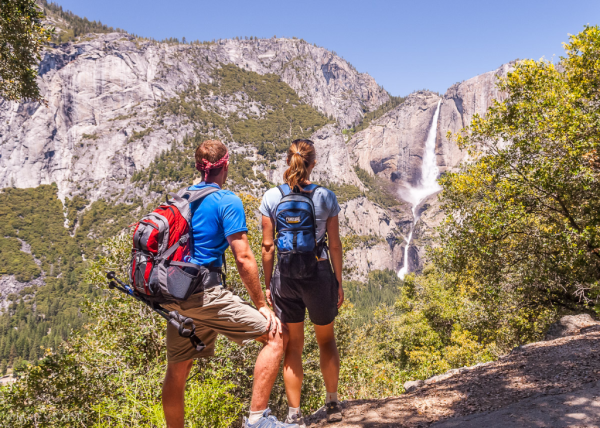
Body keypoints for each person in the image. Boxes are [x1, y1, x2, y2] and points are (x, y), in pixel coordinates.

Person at [161, 140, 298, 428]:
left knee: (177, 369)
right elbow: (244, 258)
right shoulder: (227, 200)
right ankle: (257, 421)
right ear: (225, 164)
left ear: (200, 167)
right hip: (204, 293)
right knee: (275, 337)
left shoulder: (180, 198)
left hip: (175, 292)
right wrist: (262, 305)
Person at [260, 139, 345, 426]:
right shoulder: (326, 197)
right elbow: (334, 245)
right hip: (319, 274)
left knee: (293, 346)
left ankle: (294, 415)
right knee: (327, 340)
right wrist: (338, 281)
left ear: (288, 161)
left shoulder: (271, 198)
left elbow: (268, 246)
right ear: (314, 162)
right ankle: (332, 401)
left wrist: (269, 283)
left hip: (285, 278)